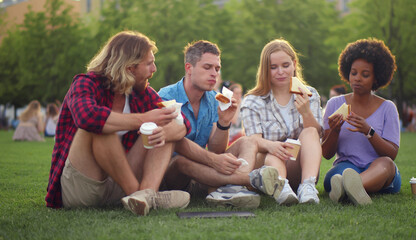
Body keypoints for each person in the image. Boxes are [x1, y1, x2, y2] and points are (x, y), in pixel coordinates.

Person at [45, 31, 193, 216]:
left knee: (163, 127)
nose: (154, 69)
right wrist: (145, 118)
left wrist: (164, 131)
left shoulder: (141, 92)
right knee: (99, 127)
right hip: (83, 187)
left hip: (117, 184)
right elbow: (87, 117)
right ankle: (141, 195)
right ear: (129, 68)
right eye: (149, 63)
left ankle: (145, 196)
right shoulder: (86, 83)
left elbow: (183, 123)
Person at [159, 40, 284, 208]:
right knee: (182, 161)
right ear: (189, 68)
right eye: (207, 67)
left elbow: (216, 149)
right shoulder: (167, 97)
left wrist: (224, 123)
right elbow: (176, 143)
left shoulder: (213, 98)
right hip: (173, 176)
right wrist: (213, 160)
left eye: (217, 69)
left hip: (205, 174)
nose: (214, 74)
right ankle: (251, 180)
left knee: (248, 141)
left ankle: (231, 188)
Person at [240, 38, 323, 205]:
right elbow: (253, 141)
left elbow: (317, 135)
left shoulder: (310, 94)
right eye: (273, 67)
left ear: (294, 64)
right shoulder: (252, 101)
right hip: (268, 164)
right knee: (273, 151)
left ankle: (307, 186)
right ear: (265, 69)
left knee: (310, 131)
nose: (281, 72)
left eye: (285, 65)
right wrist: (273, 146)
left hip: (300, 166)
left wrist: (306, 113)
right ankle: (281, 187)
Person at [322, 38, 401, 205]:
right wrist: (335, 131)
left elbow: (391, 153)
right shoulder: (334, 104)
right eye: (353, 73)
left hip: (379, 170)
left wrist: (368, 131)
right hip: (346, 166)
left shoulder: (388, 108)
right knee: (339, 174)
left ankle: (348, 188)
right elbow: (327, 154)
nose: (357, 78)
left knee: (385, 163)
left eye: (365, 75)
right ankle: (351, 187)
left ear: (376, 78)